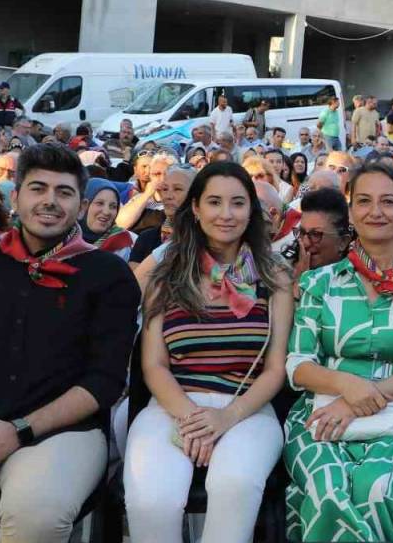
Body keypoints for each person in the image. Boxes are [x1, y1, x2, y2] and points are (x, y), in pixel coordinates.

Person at [0, 144, 139, 539]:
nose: (50, 201)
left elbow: (105, 380)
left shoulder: (108, 274)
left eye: (64, 192)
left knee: (37, 517)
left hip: (57, 434)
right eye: (38, 188)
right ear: (15, 198)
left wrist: (18, 431)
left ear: (80, 206)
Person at [125, 162, 291, 542]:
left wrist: (226, 417)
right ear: (196, 208)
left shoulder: (274, 274)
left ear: (251, 210)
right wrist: (194, 418)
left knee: (235, 485)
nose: (226, 214)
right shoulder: (167, 271)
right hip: (172, 406)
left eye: (238, 203)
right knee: (152, 499)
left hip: (247, 408)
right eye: (214, 202)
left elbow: (274, 368)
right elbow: (154, 364)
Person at [284, 162, 393, 541]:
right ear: (351, 211)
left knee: (376, 487)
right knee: (327, 489)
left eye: (387, 201)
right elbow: (298, 365)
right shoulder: (319, 282)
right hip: (319, 414)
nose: (376, 211)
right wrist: (346, 386)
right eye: (364, 201)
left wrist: (356, 401)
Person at [128, 166, 195, 271]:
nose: (168, 196)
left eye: (177, 189)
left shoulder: (207, 238)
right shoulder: (147, 238)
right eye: (165, 189)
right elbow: (135, 279)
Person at [80, 178, 135, 263]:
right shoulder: (63, 236)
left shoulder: (119, 243)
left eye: (113, 206)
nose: (106, 212)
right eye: (99, 203)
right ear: (83, 205)